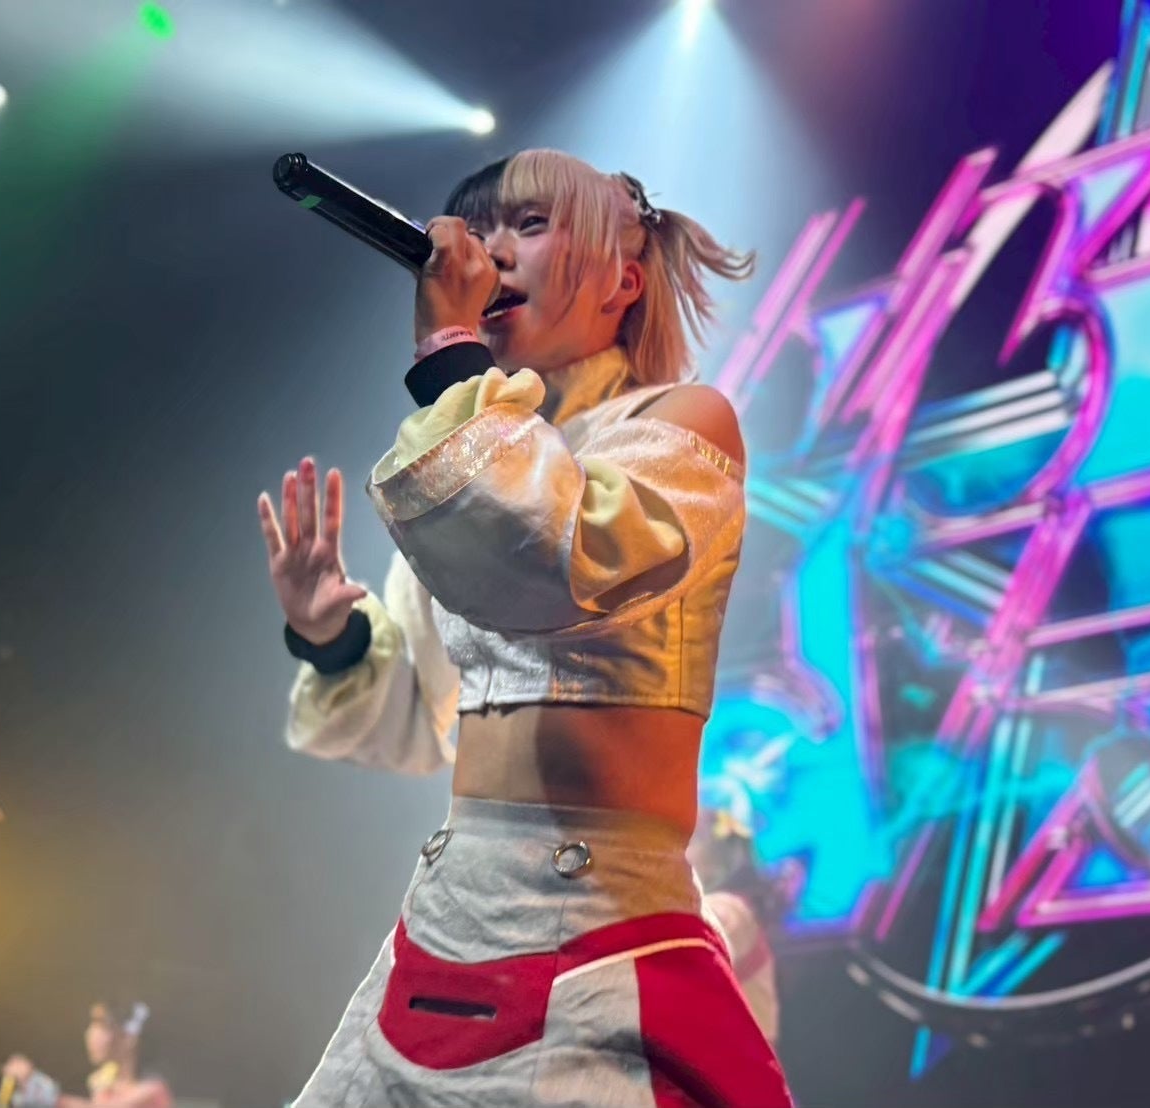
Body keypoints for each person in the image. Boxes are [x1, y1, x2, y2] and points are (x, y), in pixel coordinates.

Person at [258, 149, 792, 1106]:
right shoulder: (478, 455)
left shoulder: (680, 424)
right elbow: (418, 711)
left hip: (600, 914)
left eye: (530, 225)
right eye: (477, 230)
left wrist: (449, 356)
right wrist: (330, 634)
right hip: (451, 906)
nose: (488, 250)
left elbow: (558, 564)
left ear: (622, 281)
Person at [688, 810, 784, 1046]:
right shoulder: (727, 909)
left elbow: (683, 964)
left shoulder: (728, 912)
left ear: (717, 865)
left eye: (690, 839)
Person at [1, 1000, 173, 1108]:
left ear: (128, 1038)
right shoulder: (101, 1084)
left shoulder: (153, 1091)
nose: (91, 1033)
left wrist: (43, 1093)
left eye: (101, 1025)